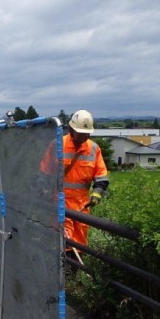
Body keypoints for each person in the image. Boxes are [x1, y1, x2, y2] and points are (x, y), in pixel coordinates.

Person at [39, 109, 109, 267]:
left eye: (87, 134)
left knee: (80, 243)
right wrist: (43, 190)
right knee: (65, 242)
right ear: (71, 130)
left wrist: (97, 193)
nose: (84, 136)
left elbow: (101, 176)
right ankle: (64, 276)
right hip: (60, 202)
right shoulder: (57, 145)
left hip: (82, 206)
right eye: (81, 133)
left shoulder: (93, 149)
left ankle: (73, 275)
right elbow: (43, 172)